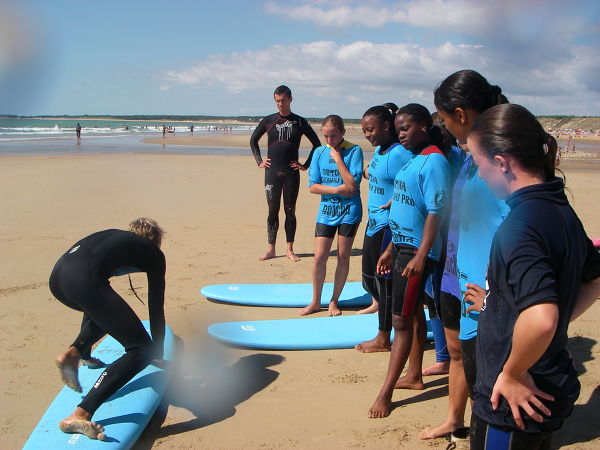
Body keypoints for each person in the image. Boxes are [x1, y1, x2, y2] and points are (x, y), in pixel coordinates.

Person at [467, 104, 600, 449]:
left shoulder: (519, 228)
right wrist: (497, 301)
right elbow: (594, 279)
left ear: (501, 162)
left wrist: (512, 372)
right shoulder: (561, 209)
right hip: (548, 384)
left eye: (478, 163)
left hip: (513, 403)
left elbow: (542, 318)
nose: (478, 175)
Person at [420, 69, 510, 440]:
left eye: (443, 118)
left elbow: (511, 228)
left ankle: (481, 429)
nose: (442, 126)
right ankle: (455, 419)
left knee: (484, 371)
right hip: (456, 271)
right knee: (457, 350)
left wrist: (495, 289)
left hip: (484, 284)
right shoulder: (469, 155)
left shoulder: (498, 160)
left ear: (460, 114)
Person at [368, 104, 451, 418]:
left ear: (425, 126)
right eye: (398, 128)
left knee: (400, 321)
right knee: (412, 314)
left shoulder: (434, 163)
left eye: (406, 128)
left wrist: (419, 255)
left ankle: (385, 394)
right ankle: (413, 376)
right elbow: (404, 206)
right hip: (402, 247)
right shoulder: (415, 158)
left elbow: (435, 212)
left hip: (418, 252)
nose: (400, 133)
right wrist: (390, 248)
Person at [51, 218, 167, 440]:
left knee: (107, 309)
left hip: (58, 279)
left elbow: (96, 300)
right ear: (155, 241)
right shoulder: (152, 252)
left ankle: (75, 353)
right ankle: (79, 415)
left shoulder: (116, 239)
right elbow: (155, 305)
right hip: (83, 280)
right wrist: (157, 351)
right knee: (141, 350)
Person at [354, 104, 412, 351]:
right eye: (365, 130)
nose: (367, 134)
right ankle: (384, 321)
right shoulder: (380, 150)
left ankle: (383, 337)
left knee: (384, 283)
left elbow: (413, 179)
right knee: (369, 279)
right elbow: (374, 173)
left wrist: (398, 199)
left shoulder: (400, 153)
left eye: (371, 129)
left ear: (387, 126)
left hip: (388, 227)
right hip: (373, 224)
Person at [298, 115, 363, 316]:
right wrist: (336, 190)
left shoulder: (354, 150)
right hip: (326, 212)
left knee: (343, 257)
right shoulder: (318, 152)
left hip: (349, 212)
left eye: (333, 136)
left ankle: (334, 301)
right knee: (319, 257)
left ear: (343, 132)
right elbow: (312, 187)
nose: (329, 140)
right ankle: (316, 301)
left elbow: (353, 185)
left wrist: (337, 159)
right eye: (325, 136)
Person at [250, 85, 322, 262]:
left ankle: (290, 249)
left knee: (290, 211)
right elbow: (253, 140)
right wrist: (259, 161)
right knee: (272, 211)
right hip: (271, 172)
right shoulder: (268, 120)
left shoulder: (299, 122)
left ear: (290, 99)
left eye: (283, 100)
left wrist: (305, 165)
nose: (280, 104)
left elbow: (316, 144)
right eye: (277, 101)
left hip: (291, 173)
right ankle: (271, 249)